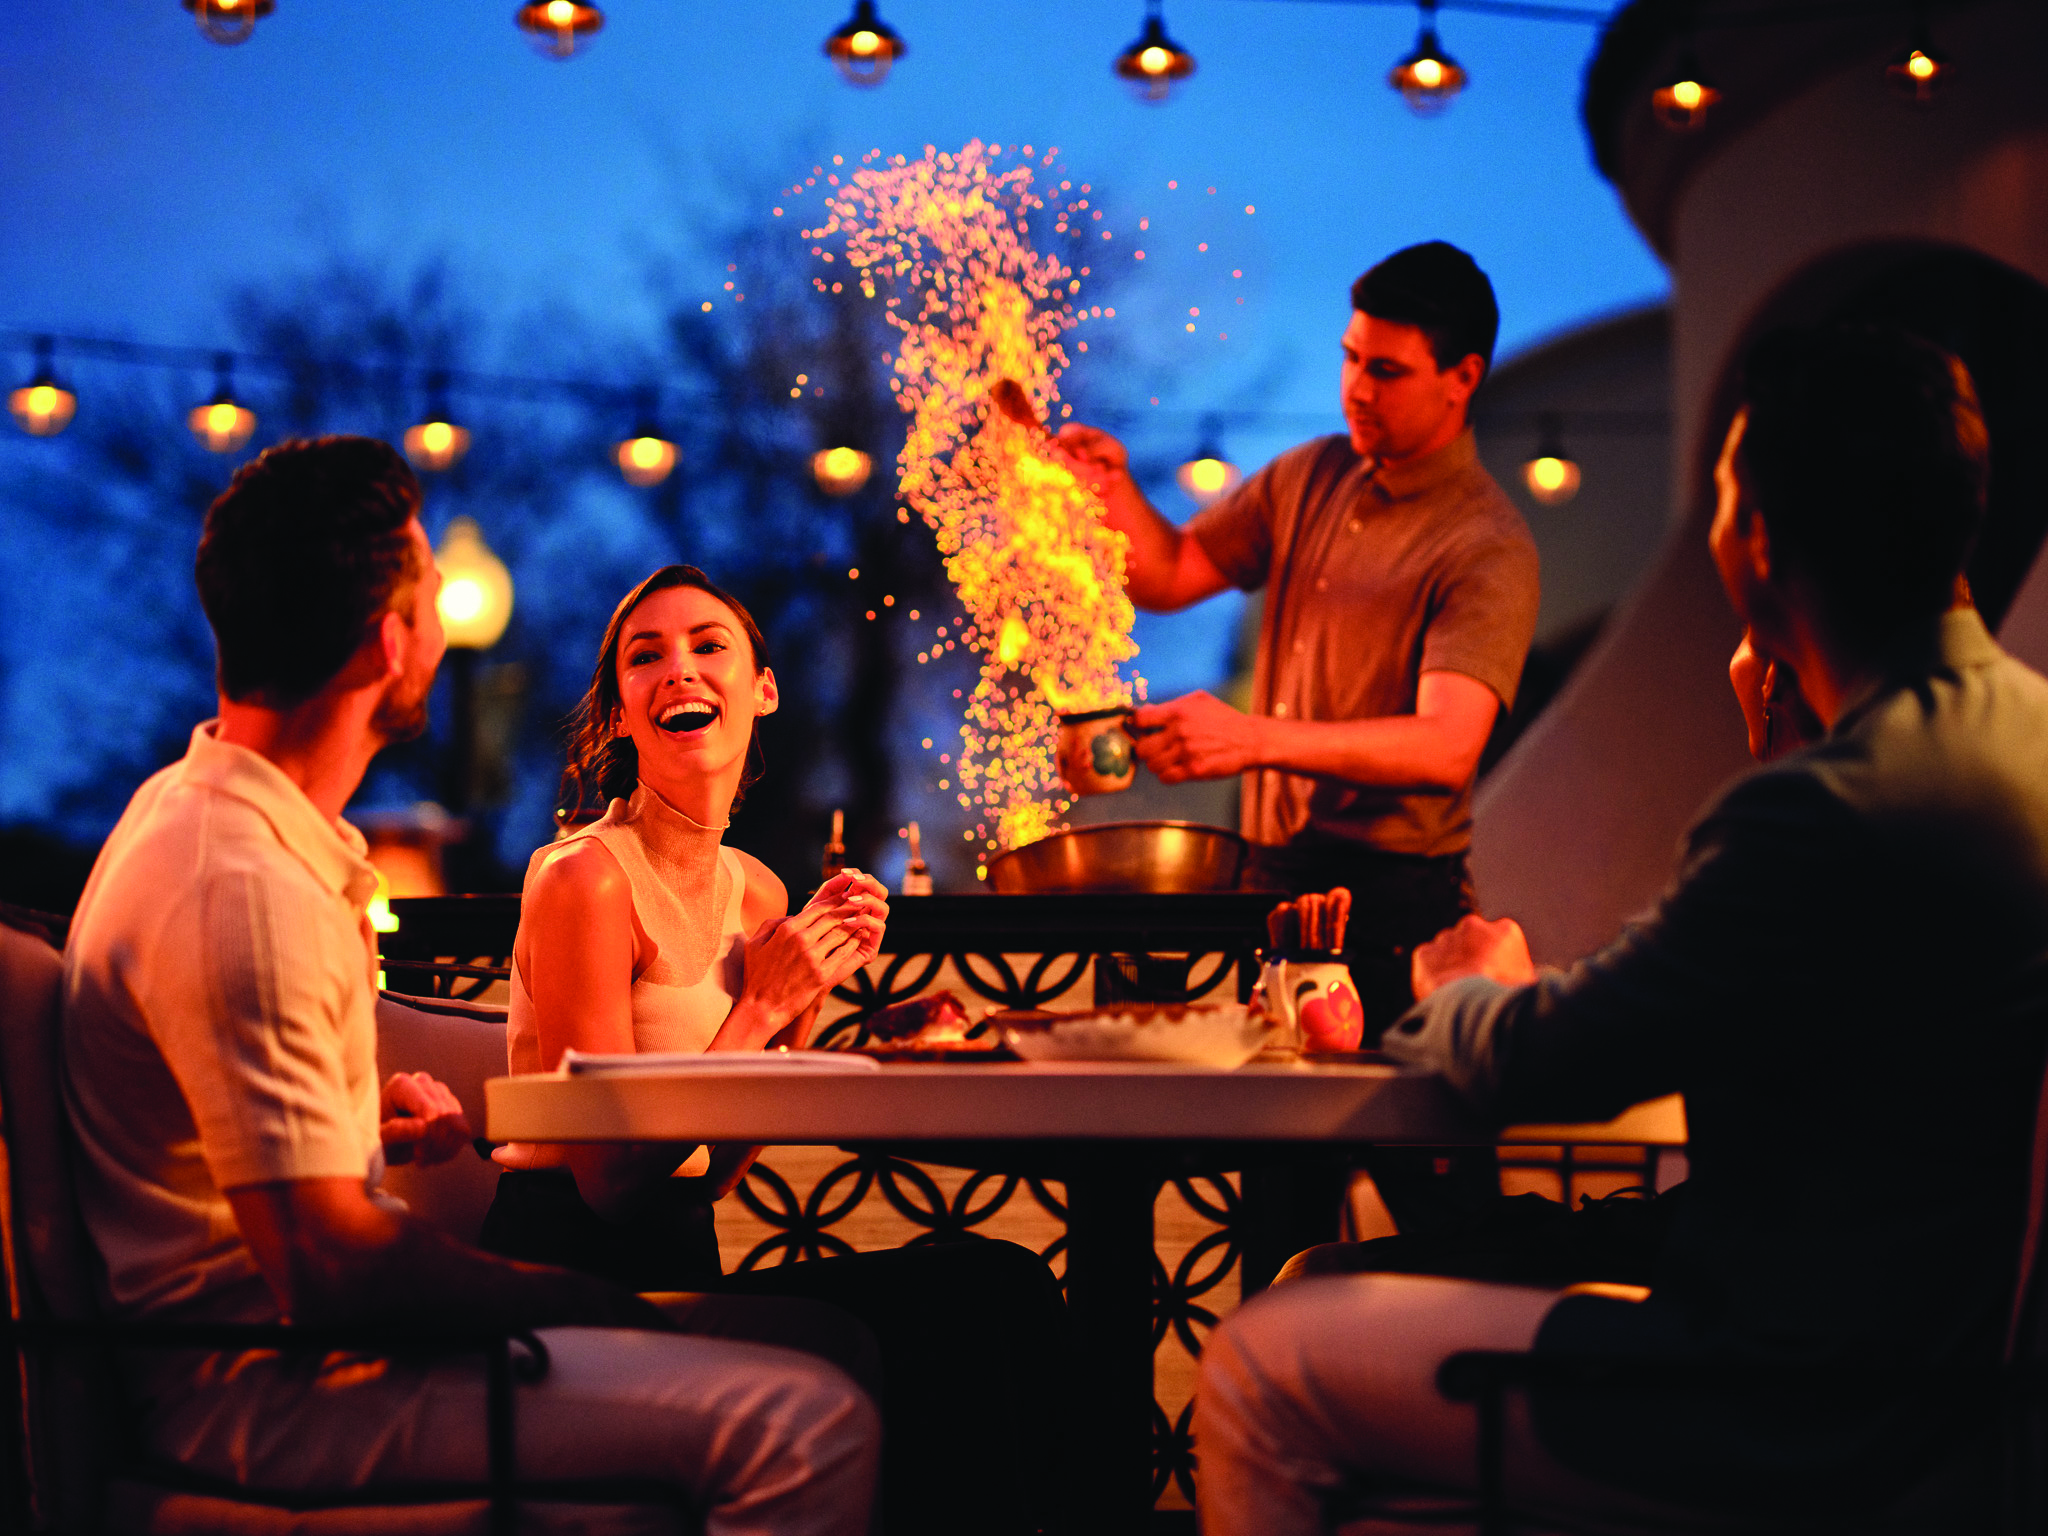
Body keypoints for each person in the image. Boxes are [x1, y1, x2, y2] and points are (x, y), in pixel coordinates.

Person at [1191, 325, 2048, 1533]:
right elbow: (1796, 1016)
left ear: (1757, 541)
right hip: (1933, 1382)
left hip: (1777, 1406)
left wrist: (1461, 987)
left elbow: (1540, 1067)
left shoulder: (1830, 807)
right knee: (1328, 1280)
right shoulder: (2014, 740)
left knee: (1257, 1362)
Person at [63, 437, 880, 1535]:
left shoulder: (229, 827)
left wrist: (361, 1124)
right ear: (392, 641)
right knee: (808, 1422)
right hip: (271, 1389)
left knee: (830, 1343)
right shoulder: (244, 883)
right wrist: (578, 1302)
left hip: (305, 1349)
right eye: (431, 588)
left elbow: (226, 1158)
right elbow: (329, 1268)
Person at [478, 563, 1071, 1536]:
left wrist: (811, 999)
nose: (679, 669)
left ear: (763, 690)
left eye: (708, 645)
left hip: (684, 1257)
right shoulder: (583, 880)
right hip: (575, 1283)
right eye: (645, 656)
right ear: (620, 716)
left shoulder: (755, 890)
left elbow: (714, 1173)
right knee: (950, 1312)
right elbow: (610, 1184)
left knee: (1000, 1281)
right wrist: (761, 1008)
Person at [1056, 240, 1540, 1036]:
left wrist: (1250, 739)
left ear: (1463, 377)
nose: (1357, 388)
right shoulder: (1310, 474)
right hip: (1272, 881)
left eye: (1387, 371)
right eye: (1351, 358)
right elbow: (1170, 573)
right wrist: (1112, 495)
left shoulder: (1485, 544)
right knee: (1276, 1107)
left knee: (1393, 1113)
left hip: (1396, 897)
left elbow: (1448, 747)